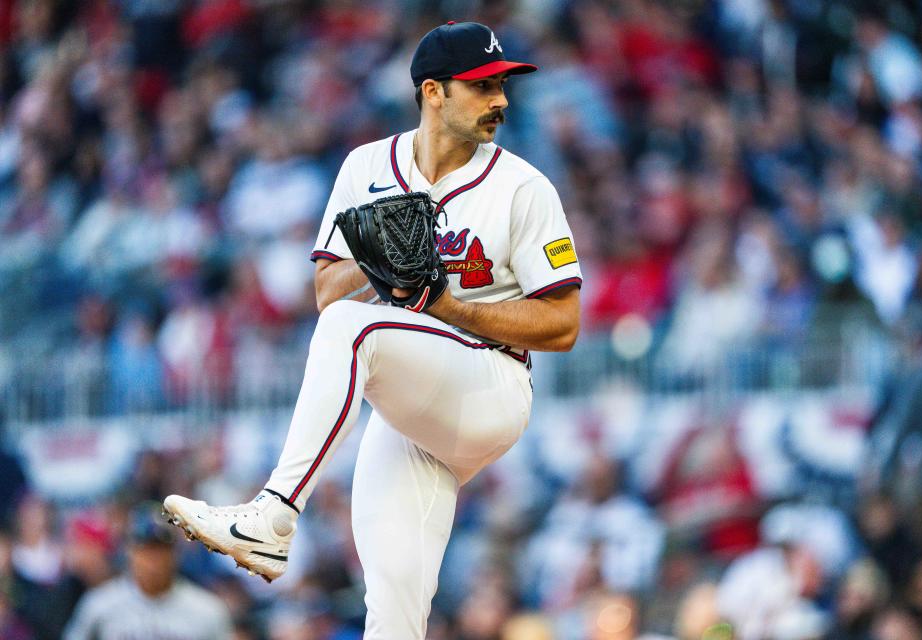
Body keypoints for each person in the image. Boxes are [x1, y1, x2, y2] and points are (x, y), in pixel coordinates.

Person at [163, 20, 582, 639]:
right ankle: (279, 527)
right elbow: (327, 293)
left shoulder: (523, 186)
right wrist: (376, 244)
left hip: (490, 383)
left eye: (502, 85)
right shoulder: (367, 167)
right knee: (393, 610)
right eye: (483, 86)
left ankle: (274, 516)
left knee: (355, 330)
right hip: (413, 404)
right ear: (433, 92)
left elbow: (564, 322)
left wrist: (449, 305)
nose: (500, 100)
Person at [63, 503, 232, 640]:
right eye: (146, 550)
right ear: (130, 552)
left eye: (160, 550)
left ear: (175, 554)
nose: (153, 560)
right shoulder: (100, 606)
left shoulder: (206, 611)